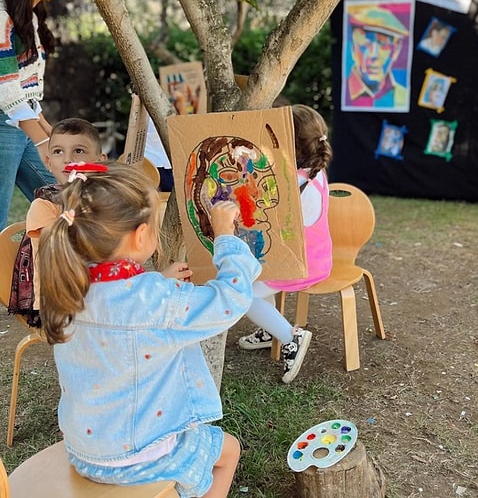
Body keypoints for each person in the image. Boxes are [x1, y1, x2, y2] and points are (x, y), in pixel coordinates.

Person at [37, 161, 261, 497]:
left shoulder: (68, 286)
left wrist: (159, 281)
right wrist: (225, 237)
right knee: (228, 452)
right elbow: (231, 297)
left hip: (85, 451)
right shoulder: (156, 302)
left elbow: (123, 307)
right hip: (140, 457)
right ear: (142, 235)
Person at [237, 104, 333, 384]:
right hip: (311, 257)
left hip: (303, 265)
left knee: (244, 294)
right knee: (259, 271)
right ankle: (269, 329)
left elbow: (275, 230)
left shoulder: (295, 185)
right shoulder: (312, 172)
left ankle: (291, 337)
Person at [10, 118, 107, 327]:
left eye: (79, 151)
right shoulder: (43, 205)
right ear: (48, 162)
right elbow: (61, 253)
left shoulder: (103, 199)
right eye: (58, 152)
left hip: (96, 293)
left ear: (100, 161)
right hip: (56, 301)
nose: (67, 159)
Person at [0, 0, 61, 230]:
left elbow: (27, 92)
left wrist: (52, 133)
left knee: (61, 200)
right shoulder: (2, 19)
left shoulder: (31, 19)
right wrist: (43, 141)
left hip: (21, 125)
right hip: (4, 125)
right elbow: (8, 90)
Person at [343, 6, 409, 110]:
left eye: (383, 45)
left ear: (396, 51)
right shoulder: (342, 90)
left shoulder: (403, 95)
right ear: (353, 49)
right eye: (365, 44)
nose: (373, 55)